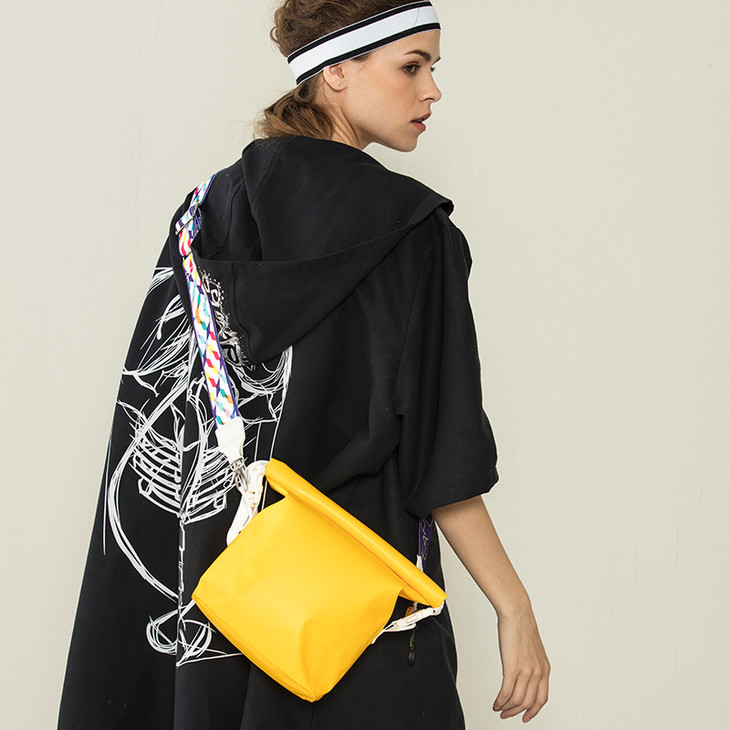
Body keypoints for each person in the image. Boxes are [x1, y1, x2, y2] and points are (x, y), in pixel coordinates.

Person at [58, 1, 550, 728]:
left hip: (216, 612)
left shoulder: (203, 214)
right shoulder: (417, 234)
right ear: (338, 70)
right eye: (412, 66)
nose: (433, 90)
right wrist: (514, 606)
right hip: (355, 621)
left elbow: (154, 418)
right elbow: (444, 455)